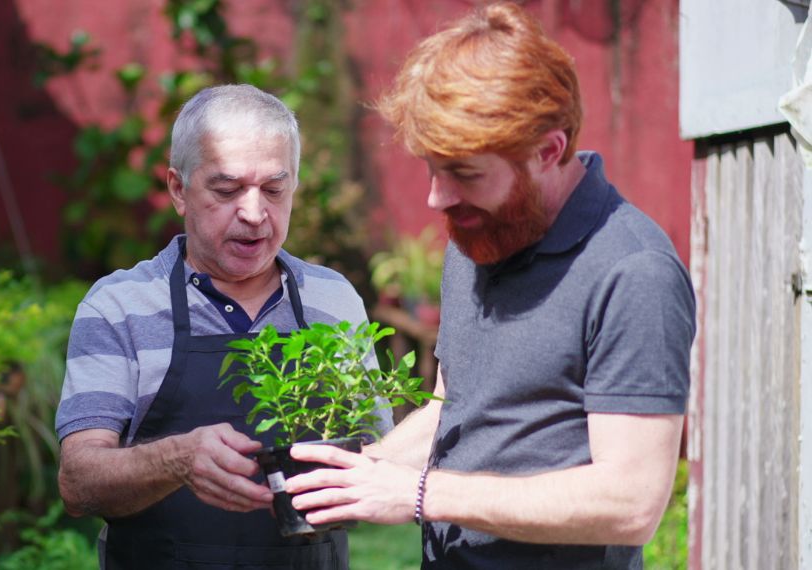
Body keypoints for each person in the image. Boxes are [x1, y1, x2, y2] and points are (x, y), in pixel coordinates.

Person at [282, 3, 696, 569]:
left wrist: (421, 495)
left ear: (548, 150)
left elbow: (631, 502)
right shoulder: (478, 235)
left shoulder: (633, 271)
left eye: (465, 173)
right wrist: (361, 473)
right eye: (432, 168)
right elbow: (453, 406)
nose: (437, 198)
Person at [55, 84, 392, 570]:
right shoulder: (119, 306)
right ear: (178, 189)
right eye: (227, 189)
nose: (254, 214)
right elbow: (77, 484)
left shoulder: (332, 299)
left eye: (274, 190)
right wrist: (176, 459)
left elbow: (380, 452)